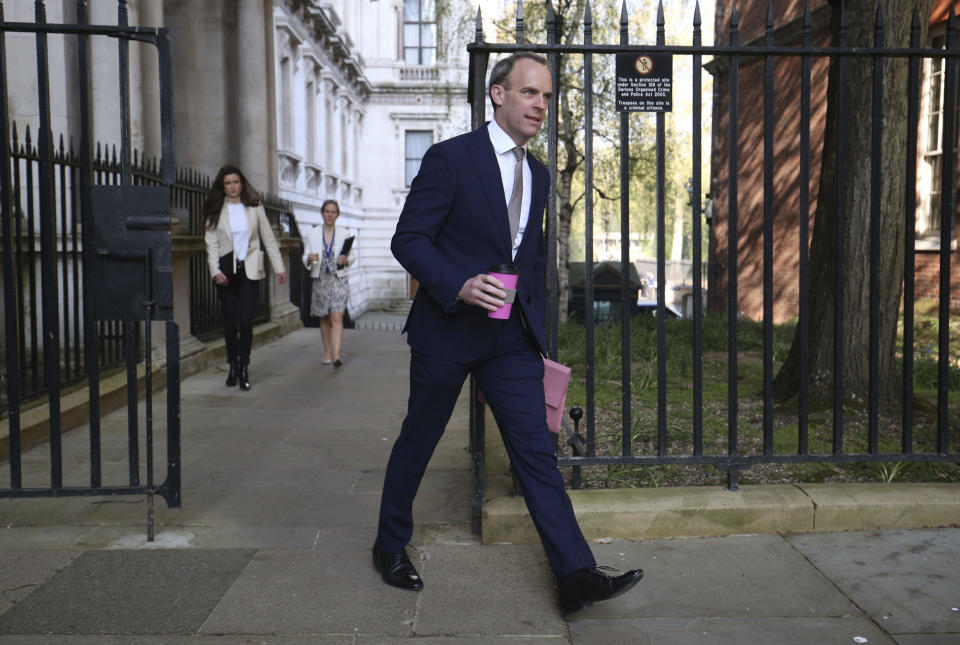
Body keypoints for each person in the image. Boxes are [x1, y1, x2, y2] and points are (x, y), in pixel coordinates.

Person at [373, 52, 644, 615]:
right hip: (446, 332)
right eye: (529, 93)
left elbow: (531, 257)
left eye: (546, 96)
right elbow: (409, 239)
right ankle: (389, 545)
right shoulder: (451, 159)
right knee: (417, 442)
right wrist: (458, 284)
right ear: (498, 95)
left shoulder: (538, 174)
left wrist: (536, 329)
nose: (540, 105)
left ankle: (574, 573)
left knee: (535, 454)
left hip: (509, 340)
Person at [203, 165, 286, 391]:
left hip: (250, 271)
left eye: (236, 182)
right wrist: (214, 271)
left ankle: (244, 367)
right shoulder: (216, 209)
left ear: (242, 184)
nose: (232, 187)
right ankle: (232, 365)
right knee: (230, 324)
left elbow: (268, 238)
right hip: (226, 272)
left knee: (247, 321)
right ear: (223, 186)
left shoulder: (254, 207)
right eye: (228, 183)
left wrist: (279, 267)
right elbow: (211, 243)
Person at [302, 199, 352, 368]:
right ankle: (327, 352)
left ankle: (337, 355)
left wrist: (346, 259)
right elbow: (305, 256)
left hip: (339, 278)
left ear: (337, 215)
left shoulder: (344, 233)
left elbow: (352, 256)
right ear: (322, 213)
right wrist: (308, 259)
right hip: (321, 278)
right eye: (327, 211)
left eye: (333, 212)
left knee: (337, 315)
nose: (330, 215)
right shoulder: (313, 233)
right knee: (324, 317)